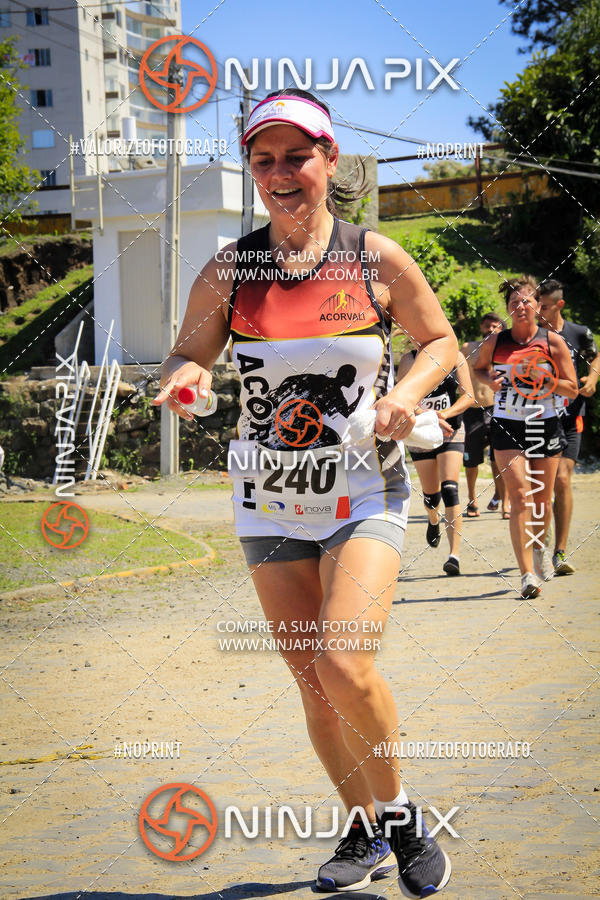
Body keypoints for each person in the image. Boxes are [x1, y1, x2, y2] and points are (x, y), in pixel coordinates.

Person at [154, 89, 455, 896]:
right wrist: (184, 379)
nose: (281, 173)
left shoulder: (374, 257)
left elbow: (438, 340)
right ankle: (363, 835)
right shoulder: (232, 268)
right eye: (264, 160)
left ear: (329, 161)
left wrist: (410, 393)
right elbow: (188, 355)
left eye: (297, 156)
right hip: (269, 504)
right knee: (313, 683)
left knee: (344, 661)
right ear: (252, 170)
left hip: (364, 493)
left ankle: (399, 814)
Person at [474, 276, 578, 599]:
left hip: (543, 422)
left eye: (526, 301)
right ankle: (526, 574)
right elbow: (476, 369)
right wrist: (488, 381)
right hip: (507, 424)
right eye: (514, 303)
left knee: (540, 500)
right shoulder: (496, 342)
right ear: (508, 309)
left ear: (537, 306)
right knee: (519, 496)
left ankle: (540, 548)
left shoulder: (553, 342)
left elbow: (572, 388)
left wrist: (544, 377)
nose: (521, 307)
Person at [536, 279, 600, 574]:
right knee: (541, 486)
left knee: (562, 479)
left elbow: (595, 355)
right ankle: (540, 540)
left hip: (571, 415)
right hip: (538, 416)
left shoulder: (578, 333)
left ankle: (560, 552)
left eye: (544, 306)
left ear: (559, 305)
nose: (538, 310)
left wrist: (592, 379)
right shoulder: (531, 336)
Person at [398, 348, 474, 576]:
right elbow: (402, 396)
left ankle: (454, 555)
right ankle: (433, 520)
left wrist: (445, 415)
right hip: (421, 431)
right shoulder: (408, 360)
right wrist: (429, 417)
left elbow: (468, 396)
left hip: (452, 428)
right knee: (431, 496)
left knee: (450, 488)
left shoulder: (455, 356)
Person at [461, 313, 509, 518]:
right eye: (487, 326)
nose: (491, 329)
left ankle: (504, 501)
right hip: (471, 410)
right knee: (471, 460)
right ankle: (472, 500)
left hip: (498, 409)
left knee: (499, 457)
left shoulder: (507, 352)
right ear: (481, 327)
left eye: (495, 326)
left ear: (502, 330)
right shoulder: (468, 348)